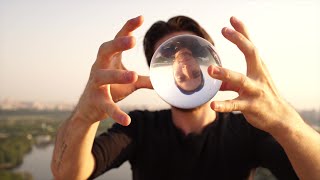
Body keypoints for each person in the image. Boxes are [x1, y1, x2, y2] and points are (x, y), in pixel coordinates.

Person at [51, 15, 320, 180]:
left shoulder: (248, 131)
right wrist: (84, 117)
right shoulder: (139, 128)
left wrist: (286, 123)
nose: (182, 65)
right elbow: (67, 175)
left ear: (208, 63)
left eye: (190, 54)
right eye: (169, 60)